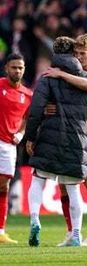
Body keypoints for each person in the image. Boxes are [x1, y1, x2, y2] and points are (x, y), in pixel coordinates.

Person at [43, 33, 87, 247]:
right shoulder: (69, 70)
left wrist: (61, 75)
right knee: (64, 185)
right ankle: (72, 232)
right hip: (66, 133)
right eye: (77, 53)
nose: (80, 57)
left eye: (83, 53)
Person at [25, 36, 87, 247]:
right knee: (73, 189)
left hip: (49, 136)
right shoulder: (85, 77)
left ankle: (35, 219)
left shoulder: (48, 78)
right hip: (76, 138)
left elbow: (35, 110)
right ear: (73, 53)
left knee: (37, 180)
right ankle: (77, 234)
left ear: (55, 53)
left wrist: (31, 137)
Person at [0, 53, 32, 244]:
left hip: (9, 146)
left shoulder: (28, 95)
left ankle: (0, 231)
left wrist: (21, 134)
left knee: (4, 185)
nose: (17, 70)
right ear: (6, 68)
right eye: (14, 67)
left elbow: (28, 119)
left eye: (20, 67)